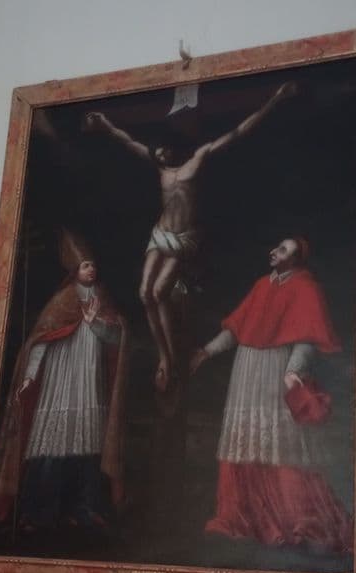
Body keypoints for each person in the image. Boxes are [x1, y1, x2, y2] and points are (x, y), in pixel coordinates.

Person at [83, 82, 297, 392]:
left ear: (174, 145)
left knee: (159, 292)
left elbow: (238, 131)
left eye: (164, 149)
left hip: (183, 238)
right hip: (160, 234)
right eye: (156, 151)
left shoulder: (197, 158)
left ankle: (171, 358)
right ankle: (163, 356)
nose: (160, 154)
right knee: (144, 293)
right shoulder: (160, 169)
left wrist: (273, 99)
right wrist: (104, 124)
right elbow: (127, 140)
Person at [190, 238, 353, 553]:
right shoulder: (262, 285)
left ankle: (295, 519)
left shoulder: (306, 289)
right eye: (277, 248)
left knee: (279, 442)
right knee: (245, 439)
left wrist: (293, 371)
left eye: (283, 250)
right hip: (246, 369)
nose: (275, 252)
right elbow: (236, 329)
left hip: (275, 369)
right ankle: (241, 517)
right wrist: (206, 352)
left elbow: (306, 338)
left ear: (296, 260)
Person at [0, 231, 128, 536]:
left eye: (93, 265)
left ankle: (84, 509)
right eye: (86, 265)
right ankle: (38, 513)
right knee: (53, 441)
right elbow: (39, 342)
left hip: (89, 380)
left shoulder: (102, 299)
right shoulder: (62, 300)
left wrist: (94, 323)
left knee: (87, 441)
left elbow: (116, 338)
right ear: (75, 270)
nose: (91, 270)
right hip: (60, 380)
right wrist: (29, 375)